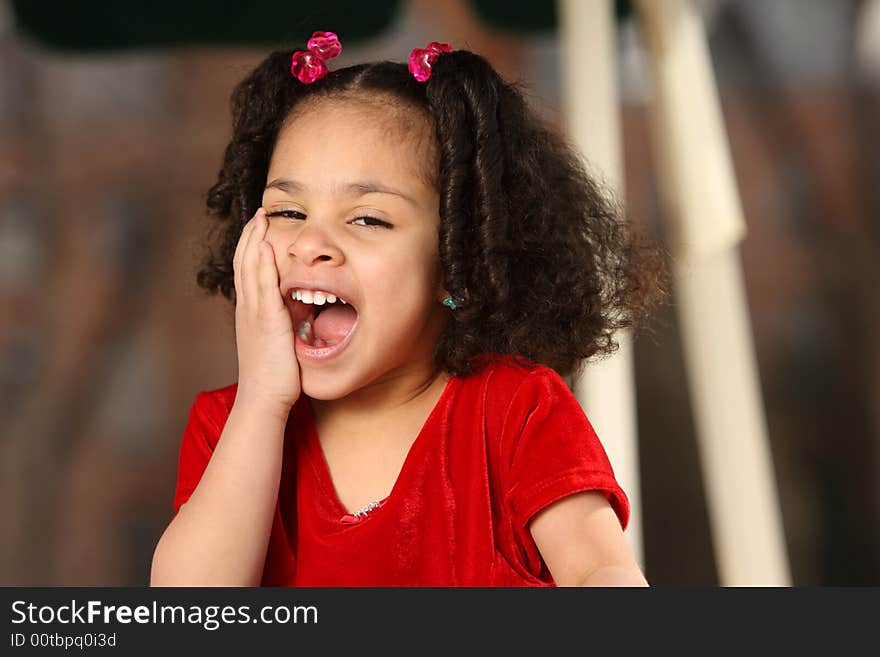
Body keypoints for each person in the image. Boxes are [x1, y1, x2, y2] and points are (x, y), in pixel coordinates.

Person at [150, 31, 667, 587]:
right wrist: (261, 401)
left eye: (368, 218)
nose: (310, 243)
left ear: (455, 259)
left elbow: (601, 571)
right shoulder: (228, 424)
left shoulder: (518, 412)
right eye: (287, 211)